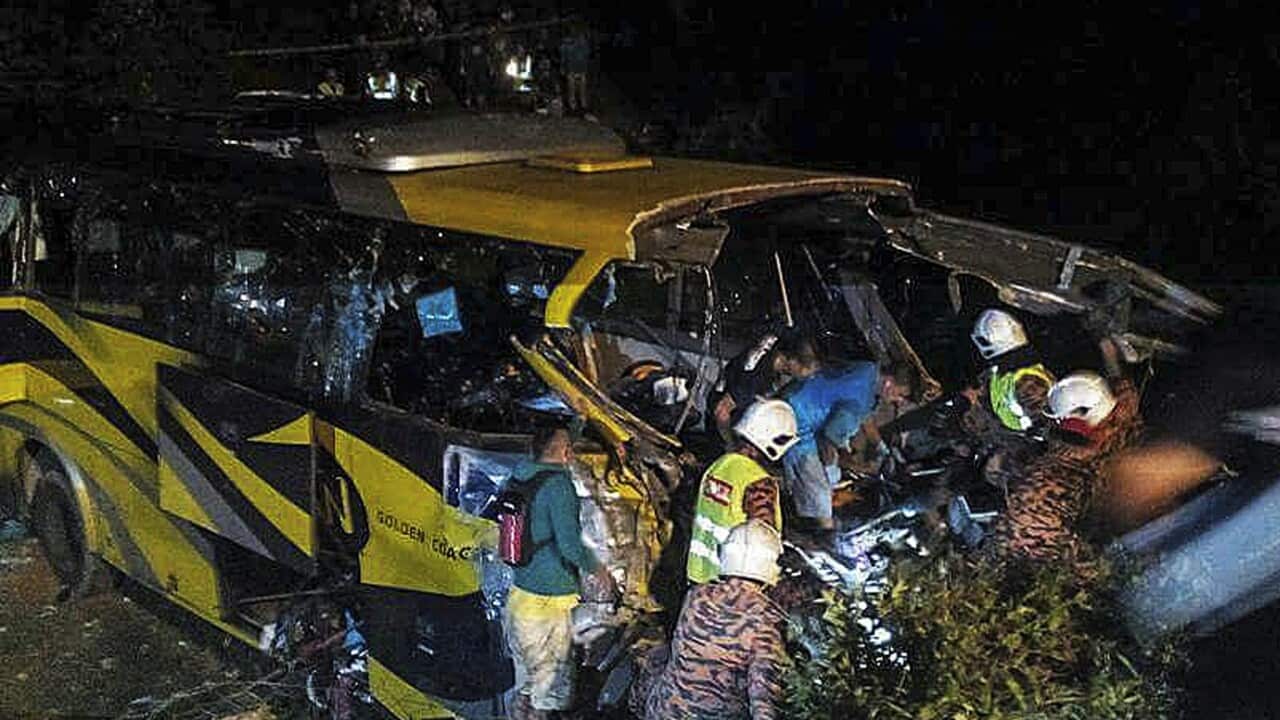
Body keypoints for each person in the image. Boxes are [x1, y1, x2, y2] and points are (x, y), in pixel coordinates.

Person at [986, 337, 1143, 565]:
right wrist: (1107, 349)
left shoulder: (1052, 459)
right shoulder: (1119, 421)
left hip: (1031, 544)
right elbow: (1123, 387)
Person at [504, 424, 617, 719]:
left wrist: (578, 421)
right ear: (567, 453)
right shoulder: (559, 486)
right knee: (547, 695)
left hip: (519, 598)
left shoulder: (521, 473)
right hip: (547, 607)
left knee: (525, 686)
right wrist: (599, 571)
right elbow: (569, 545)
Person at [642, 520, 790, 720]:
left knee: (657, 654)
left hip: (662, 712)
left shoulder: (697, 594)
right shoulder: (767, 621)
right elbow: (765, 703)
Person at [780, 356, 915, 536]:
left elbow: (865, 416)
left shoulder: (869, 370)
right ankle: (822, 537)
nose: (898, 400)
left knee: (834, 472)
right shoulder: (858, 402)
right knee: (821, 499)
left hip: (799, 392)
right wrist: (861, 469)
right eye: (899, 394)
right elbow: (827, 444)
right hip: (797, 421)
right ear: (889, 383)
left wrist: (881, 447)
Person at [687, 400, 796, 585]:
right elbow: (763, 537)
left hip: (697, 572)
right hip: (732, 579)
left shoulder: (721, 464)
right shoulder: (759, 482)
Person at [959, 308, 1056, 492]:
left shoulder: (1028, 383)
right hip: (1012, 441)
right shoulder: (1000, 371)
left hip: (1024, 449)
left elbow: (1047, 430)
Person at [558, 21, 591, 115]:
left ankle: (583, 106)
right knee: (571, 89)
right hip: (571, 69)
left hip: (581, 68)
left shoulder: (584, 42)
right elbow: (563, 56)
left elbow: (586, 55)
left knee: (582, 88)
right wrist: (563, 67)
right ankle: (573, 106)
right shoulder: (566, 43)